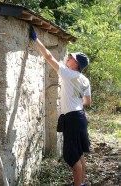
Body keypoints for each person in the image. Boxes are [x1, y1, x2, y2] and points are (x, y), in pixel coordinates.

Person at [30, 26, 91, 186]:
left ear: (76, 64)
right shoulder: (85, 80)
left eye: (71, 57)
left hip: (72, 119)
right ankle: (81, 183)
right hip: (80, 117)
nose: (68, 58)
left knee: (72, 156)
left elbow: (49, 57)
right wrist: (76, 103)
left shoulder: (68, 73)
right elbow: (87, 102)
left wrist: (36, 39)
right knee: (80, 154)